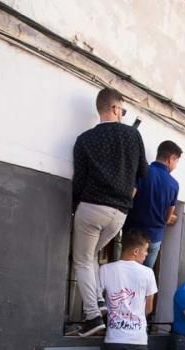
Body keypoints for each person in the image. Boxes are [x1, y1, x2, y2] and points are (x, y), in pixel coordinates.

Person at [69, 87, 148, 337]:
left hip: (92, 207)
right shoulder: (132, 136)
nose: (122, 114)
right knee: (91, 255)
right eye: (122, 110)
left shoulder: (84, 140)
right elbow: (142, 173)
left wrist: (74, 209)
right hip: (119, 214)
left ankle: (92, 316)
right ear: (115, 108)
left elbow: (79, 181)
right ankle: (100, 303)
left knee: (81, 259)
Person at [123, 140, 182, 269]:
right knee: (144, 275)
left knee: (125, 271)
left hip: (132, 233)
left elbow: (129, 197)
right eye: (176, 161)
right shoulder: (173, 184)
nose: (175, 165)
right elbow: (167, 217)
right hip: (154, 237)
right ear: (171, 158)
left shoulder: (142, 172)